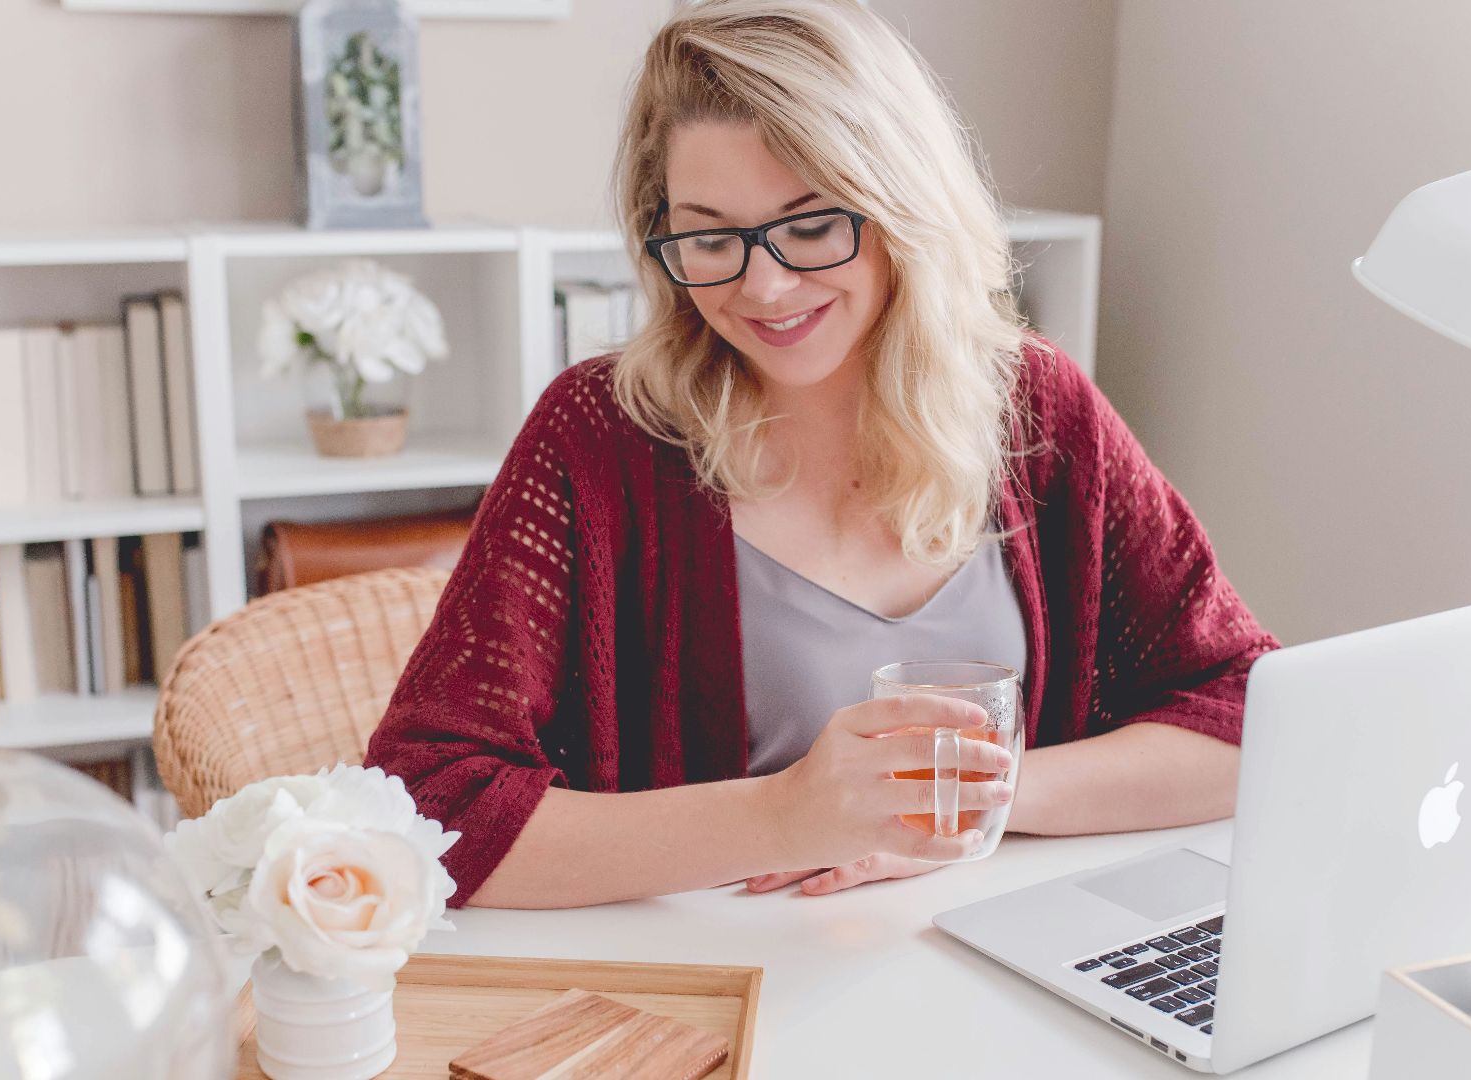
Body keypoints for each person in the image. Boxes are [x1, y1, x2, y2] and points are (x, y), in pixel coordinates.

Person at [364, 0, 1278, 909]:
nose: (764, 286)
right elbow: (424, 804)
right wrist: (784, 815)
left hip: (989, 970)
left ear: (902, 205)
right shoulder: (599, 435)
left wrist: (966, 803)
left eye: (810, 225)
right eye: (712, 236)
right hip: (725, 992)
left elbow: (1250, 714)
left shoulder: (1037, 408)